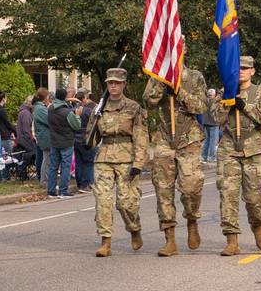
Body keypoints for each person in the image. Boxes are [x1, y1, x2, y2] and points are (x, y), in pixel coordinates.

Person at [209, 55, 261, 255]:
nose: (241, 71)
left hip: (255, 148)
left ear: (252, 71)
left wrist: (244, 106)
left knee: (256, 198)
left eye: (245, 68)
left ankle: (257, 226)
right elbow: (216, 118)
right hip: (229, 147)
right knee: (228, 194)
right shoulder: (224, 92)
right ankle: (231, 239)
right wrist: (228, 101)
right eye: (238, 68)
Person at [143, 65, 208, 256]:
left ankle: (192, 219)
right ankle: (169, 239)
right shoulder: (158, 77)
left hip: (189, 138)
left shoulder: (195, 76)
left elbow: (202, 106)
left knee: (191, 187)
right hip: (164, 139)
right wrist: (163, 85)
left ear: (184, 49)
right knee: (163, 190)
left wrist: (179, 91)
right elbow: (148, 101)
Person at [90, 69, 147, 257]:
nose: (113, 86)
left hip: (126, 158)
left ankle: (134, 228)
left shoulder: (133, 107)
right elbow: (91, 140)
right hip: (104, 157)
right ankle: (105, 241)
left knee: (126, 203)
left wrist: (139, 162)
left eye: (117, 82)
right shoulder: (100, 108)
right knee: (103, 201)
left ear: (124, 84)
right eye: (110, 83)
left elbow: (140, 137)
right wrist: (93, 120)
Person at [44, 87, 82, 198]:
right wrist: (78, 116)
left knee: (53, 166)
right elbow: (77, 126)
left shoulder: (50, 109)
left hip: (54, 140)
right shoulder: (67, 112)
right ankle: (63, 190)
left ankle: (51, 190)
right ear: (65, 97)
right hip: (66, 141)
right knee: (66, 166)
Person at [75, 90, 98, 192]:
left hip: (75, 138)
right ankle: (86, 184)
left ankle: (79, 183)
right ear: (84, 99)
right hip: (86, 138)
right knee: (88, 162)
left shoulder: (73, 111)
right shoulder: (88, 111)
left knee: (79, 162)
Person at [32, 87, 52, 184]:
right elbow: (50, 120)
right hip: (45, 137)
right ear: (45, 97)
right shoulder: (40, 108)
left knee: (47, 159)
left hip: (44, 136)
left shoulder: (39, 107)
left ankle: (45, 179)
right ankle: (44, 181)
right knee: (47, 160)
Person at [16, 94, 38, 179]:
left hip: (22, 139)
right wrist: (32, 139)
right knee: (34, 154)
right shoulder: (26, 113)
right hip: (25, 140)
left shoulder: (23, 112)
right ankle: (22, 172)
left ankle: (22, 172)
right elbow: (27, 129)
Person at [201, 88, 222, 162]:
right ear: (214, 95)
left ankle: (204, 156)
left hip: (205, 123)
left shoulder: (205, 101)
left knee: (207, 140)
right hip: (213, 123)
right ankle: (211, 157)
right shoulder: (214, 101)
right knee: (213, 141)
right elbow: (219, 97)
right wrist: (219, 93)